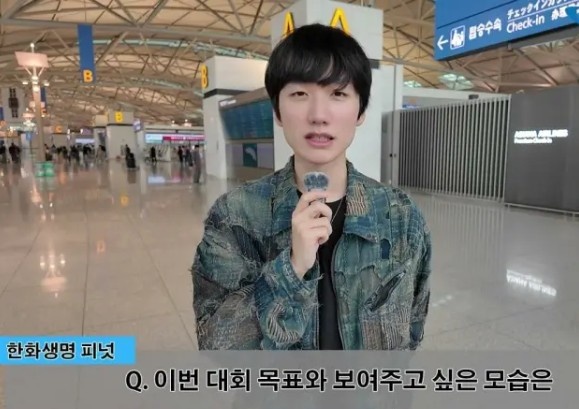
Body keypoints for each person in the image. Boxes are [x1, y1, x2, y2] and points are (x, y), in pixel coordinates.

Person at [191, 23, 432, 351]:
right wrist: (291, 269)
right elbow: (216, 347)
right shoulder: (235, 216)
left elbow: (413, 328)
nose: (319, 115)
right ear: (277, 110)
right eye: (299, 94)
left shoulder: (401, 216)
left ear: (360, 110)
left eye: (338, 93)